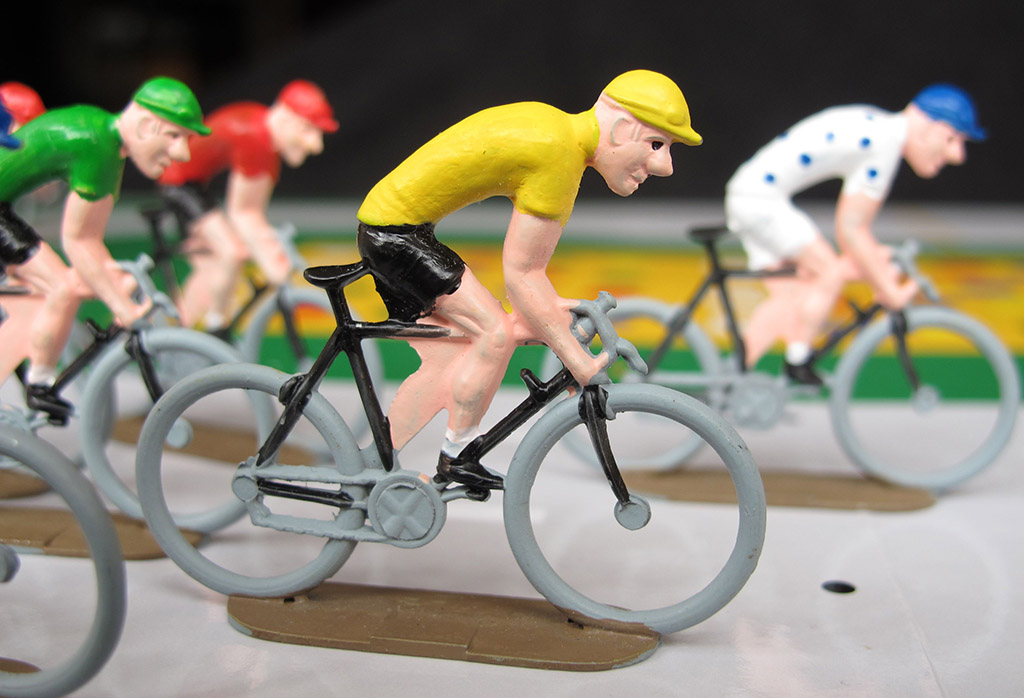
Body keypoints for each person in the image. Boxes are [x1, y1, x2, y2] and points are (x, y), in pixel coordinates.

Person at [356, 69, 702, 490]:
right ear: (621, 129)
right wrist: (579, 362)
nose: (665, 166)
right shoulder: (559, 156)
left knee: (453, 357)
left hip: (393, 227)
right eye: (656, 144)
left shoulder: (558, 133)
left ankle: (374, 462)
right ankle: (456, 457)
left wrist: (552, 315)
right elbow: (522, 277)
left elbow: (530, 281)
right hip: (394, 235)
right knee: (495, 334)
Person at [725, 84, 986, 386]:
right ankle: (798, 361)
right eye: (952, 139)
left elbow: (854, 236)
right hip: (760, 200)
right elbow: (851, 231)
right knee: (829, 272)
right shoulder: (884, 144)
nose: (957, 155)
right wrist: (889, 290)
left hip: (751, 194)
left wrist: (874, 263)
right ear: (928, 126)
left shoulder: (879, 130)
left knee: (791, 298)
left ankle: (732, 378)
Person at [0, 76, 210, 422]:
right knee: (63, 287)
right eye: (175, 136)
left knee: (58, 290)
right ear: (145, 126)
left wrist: (113, 281)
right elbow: (78, 241)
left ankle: (34, 376)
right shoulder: (98, 147)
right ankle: (39, 385)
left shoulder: (105, 143)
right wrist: (120, 304)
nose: (183, 154)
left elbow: (90, 240)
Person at [156, 80, 337, 331]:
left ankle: (182, 328)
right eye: (308, 129)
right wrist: (271, 260)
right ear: (287, 119)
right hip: (180, 183)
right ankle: (215, 325)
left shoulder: (264, 137)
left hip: (190, 181)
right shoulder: (256, 140)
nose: (316, 145)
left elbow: (251, 213)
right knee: (232, 254)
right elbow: (243, 213)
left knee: (212, 267)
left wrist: (267, 247)